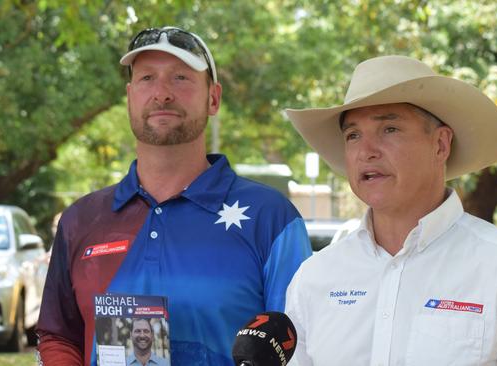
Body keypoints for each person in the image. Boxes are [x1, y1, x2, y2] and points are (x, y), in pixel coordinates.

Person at [36, 26, 312, 366]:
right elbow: (58, 335)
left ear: (213, 98)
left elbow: (303, 343)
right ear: (129, 96)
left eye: (181, 77)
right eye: (147, 78)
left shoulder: (273, 218)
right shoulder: (81, 220)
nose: (162, 93)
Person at [284, 55, 497, 365]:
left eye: (389, 129)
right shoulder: (314, 278)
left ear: (440, 144)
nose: (366, 152)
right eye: (353, 135)